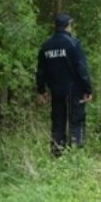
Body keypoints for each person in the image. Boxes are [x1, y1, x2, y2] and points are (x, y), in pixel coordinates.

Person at [36, 12, 93, 156]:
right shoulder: (73, 44)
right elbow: (81, 69)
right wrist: (87, 89)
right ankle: (76, 154)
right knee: (76, 121)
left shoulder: (46, 46)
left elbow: (40, 71)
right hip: (74, 90)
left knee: (58, 123)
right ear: (67, 26)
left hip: (56, 91)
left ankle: (56, 153)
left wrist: (41, 90)